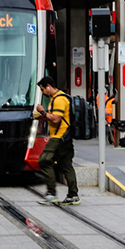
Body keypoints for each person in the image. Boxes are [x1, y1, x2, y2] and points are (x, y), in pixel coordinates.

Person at [35, 76, 80, 206]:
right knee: (66, 165)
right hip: (65, 138)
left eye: (43, 89)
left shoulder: (59, 100)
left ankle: (51, 194)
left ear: (48, 86)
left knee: (43, 161)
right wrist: (41, 117)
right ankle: (73, 195)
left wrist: (42, 111)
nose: (43, 92)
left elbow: (56, 119)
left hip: (58, 137)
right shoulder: (57, 98)